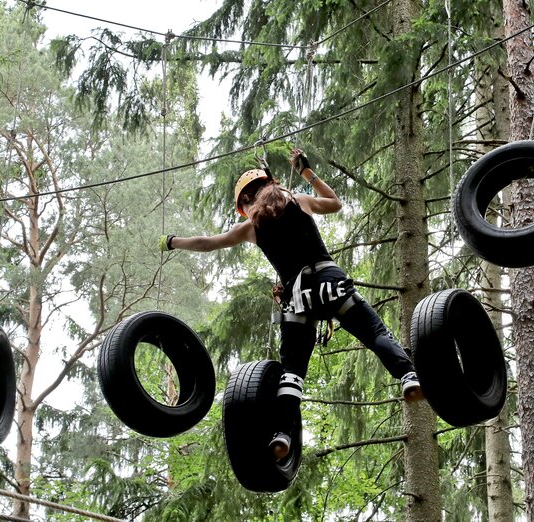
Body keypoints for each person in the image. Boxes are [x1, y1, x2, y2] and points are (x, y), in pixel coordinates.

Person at [159, 149, 422, 461]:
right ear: (272, 184)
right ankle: (408, 377)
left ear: (245, 204)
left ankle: (283, 434)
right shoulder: (300, 200)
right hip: (330, 283)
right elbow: (335, 203)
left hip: (298, 299)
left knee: (292, 373)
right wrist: (307, 172)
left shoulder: (250, 227)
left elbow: (208, 243)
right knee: (374, 332)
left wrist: (173, 241)